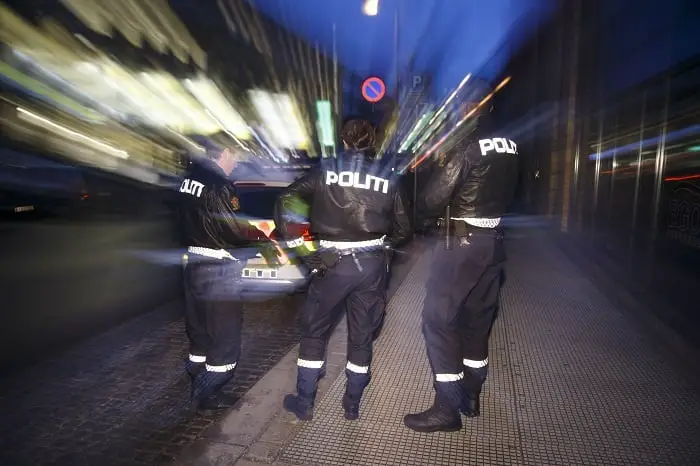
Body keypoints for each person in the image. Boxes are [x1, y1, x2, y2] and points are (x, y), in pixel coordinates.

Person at [274, 119, 412, 421]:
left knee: (315, 331)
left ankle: (305, 401)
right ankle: (352, 404)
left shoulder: (326, 171)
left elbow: (286, 199)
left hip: (331, 264)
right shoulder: (388, 177)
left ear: (344, 141)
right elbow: (404, 227)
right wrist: (381, 248)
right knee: (362, 335)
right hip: (372, 267)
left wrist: (304, 251)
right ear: (371, 142)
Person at [403, 82, 519, 433]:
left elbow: (433, 198)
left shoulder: (467, 143)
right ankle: (471, 395)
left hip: (461, 244)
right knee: (477, 320)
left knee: (438, 319)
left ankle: (447, 407)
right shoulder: (512, 143)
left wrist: (417, 213)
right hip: (493, 242)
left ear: (469, 106)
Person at [178, 135, 280, 410]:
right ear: (223, 154)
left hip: (193, 264)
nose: (235, 162)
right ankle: (206, 393)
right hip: (218, 271)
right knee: (225, 337)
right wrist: (263, 242)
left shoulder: (188, 180)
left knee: (199, 332)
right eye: (233, 156)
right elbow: (232, 229)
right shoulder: (220, 186)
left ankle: (197, 382)